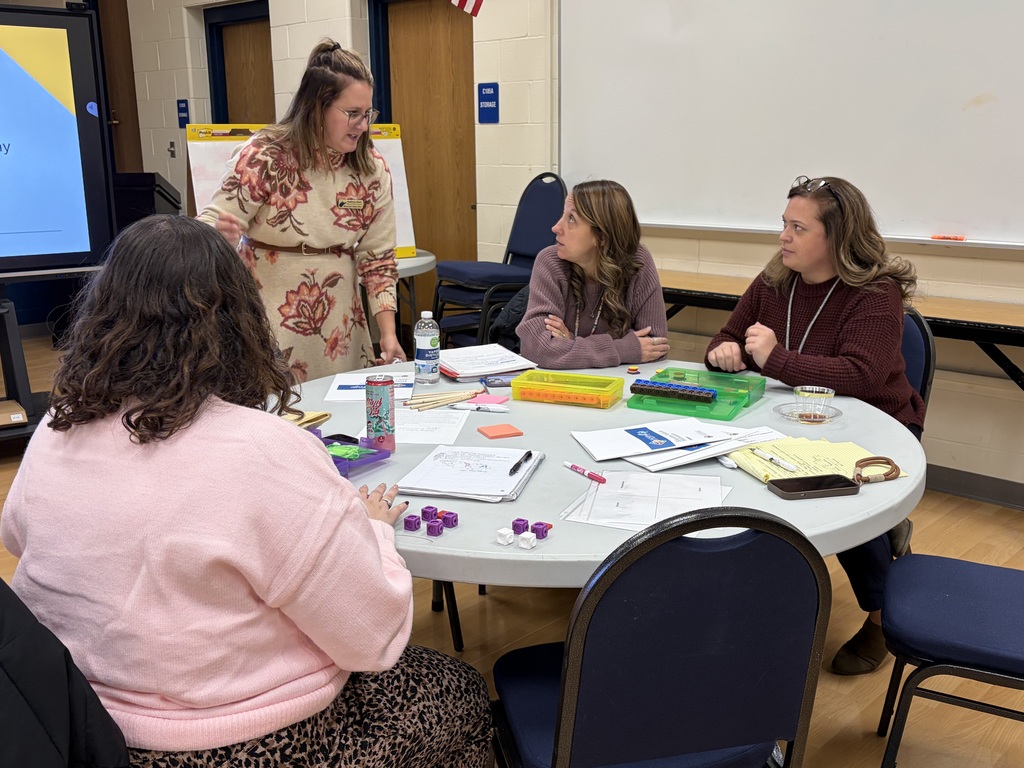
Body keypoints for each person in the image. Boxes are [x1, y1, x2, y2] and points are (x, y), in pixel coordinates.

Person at [0, 215, 492, 767]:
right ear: (238, 319)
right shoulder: (262, 449)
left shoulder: (58, 423)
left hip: (76, 723)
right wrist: (374, 530)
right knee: (461, 692)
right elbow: (373, 639)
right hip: (231, 744)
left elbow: (17, 536)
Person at [705, 175, 925, 675]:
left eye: (798, 227)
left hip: (876, 425)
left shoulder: (874, 292)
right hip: (790, 421)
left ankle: (880, 616)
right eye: (784, 224)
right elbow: (727, 336)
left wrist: (775, 359)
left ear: (837, 238)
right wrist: (725, 352)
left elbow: (862, 375)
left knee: (840, 495)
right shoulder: (774, 279)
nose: (783, 236)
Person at [197, 39, 406, 382]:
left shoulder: (370, 169)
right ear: (317, 106)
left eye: (367, 114)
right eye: (352, 113)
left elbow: (378, 259)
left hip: (341, 324)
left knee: (342, 421)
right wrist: (216, 237)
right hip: (268, 316)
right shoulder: (265, 155)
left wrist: (387, 334)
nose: (363, 125)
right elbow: (209, 225)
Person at [516, 179, 670, 368]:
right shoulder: (551, 261)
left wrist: (571, 342)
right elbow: (537, 350)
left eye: (571, 219)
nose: (556, 227)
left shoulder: (637, 261)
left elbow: (655, 347)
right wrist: (623, 349)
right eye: (562, 215)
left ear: (602, 236)